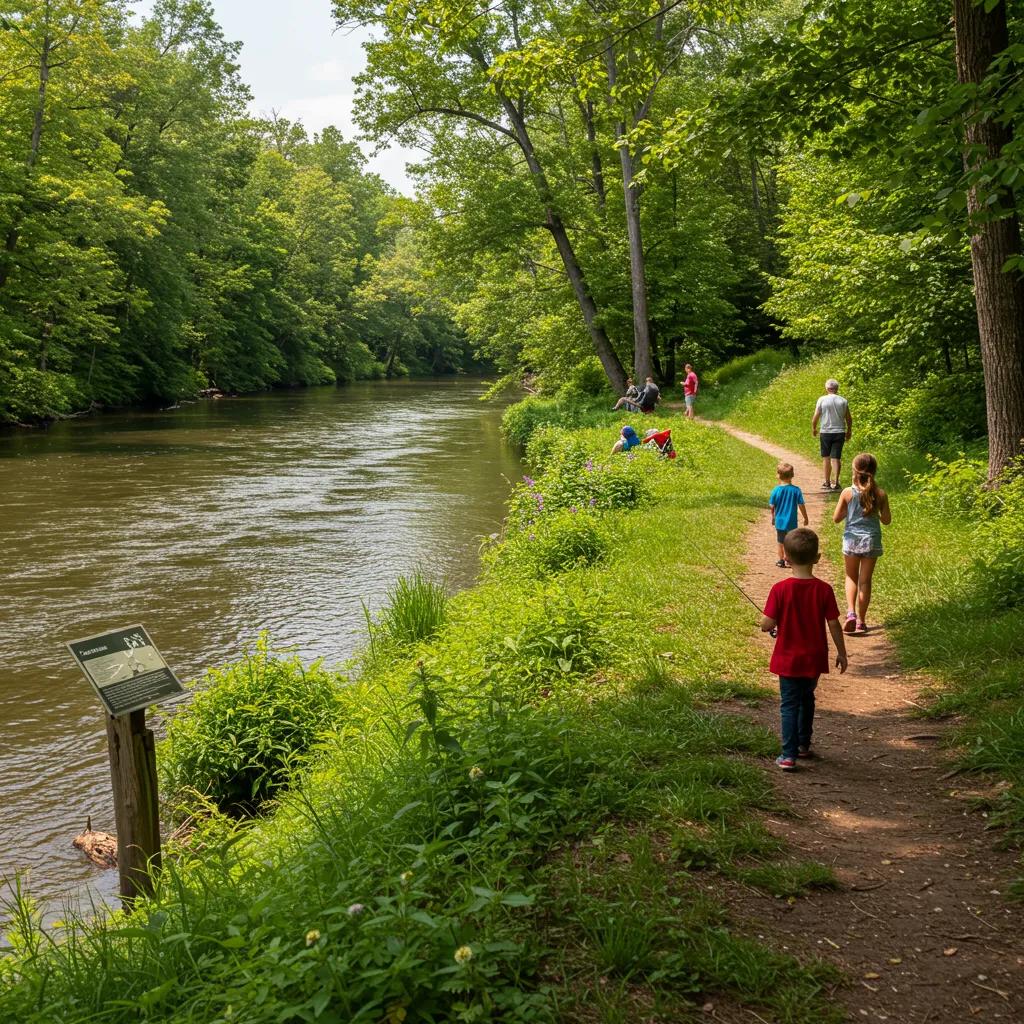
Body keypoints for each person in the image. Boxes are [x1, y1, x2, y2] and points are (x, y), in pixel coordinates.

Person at [761, 528, 848, 771]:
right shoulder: (824, 590)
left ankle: (788, 755)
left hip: (788, 660)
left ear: (786, 558)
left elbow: (767, 624)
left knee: (789, 703)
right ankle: (803, 745)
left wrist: (768, 624)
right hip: (814, 658)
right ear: (817, 558)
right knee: (807, 698)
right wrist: (841, 652)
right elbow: (833, 624)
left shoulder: (780, 589)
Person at [832, 452, 891, 634]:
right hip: (871, 541)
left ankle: (851, 613)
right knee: (865, 581)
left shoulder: (848, 493)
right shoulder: (880, 494)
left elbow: (836, 518)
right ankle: (862, 621)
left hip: (851, 541)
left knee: (851, 577)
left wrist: (848, 512)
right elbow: (887, 520)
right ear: (874, 471)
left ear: (854, 471)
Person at [811, 379, 853, 490]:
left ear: (827, 388)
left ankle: (827, 482)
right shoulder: (843, 401)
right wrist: (849, 430)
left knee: (826, 458)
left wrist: (814, 428)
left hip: (825, 432)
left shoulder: (822, 399)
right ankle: (837, 483)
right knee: (836, 458)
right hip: (840, 432)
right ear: (837, 388)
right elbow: (848, 417)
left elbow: (816, 415)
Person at [769, 462, 809, 568]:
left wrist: (773, 517)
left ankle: (781, 560)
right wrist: (805, 517)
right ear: (792, 475)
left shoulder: (776, 490)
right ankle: (789, 559)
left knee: (780, 541)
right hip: (791, 521)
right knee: (790, 541)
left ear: (778, 475)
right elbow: (801, 505)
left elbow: (772, 506)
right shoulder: (796, 490)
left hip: (780, 521)